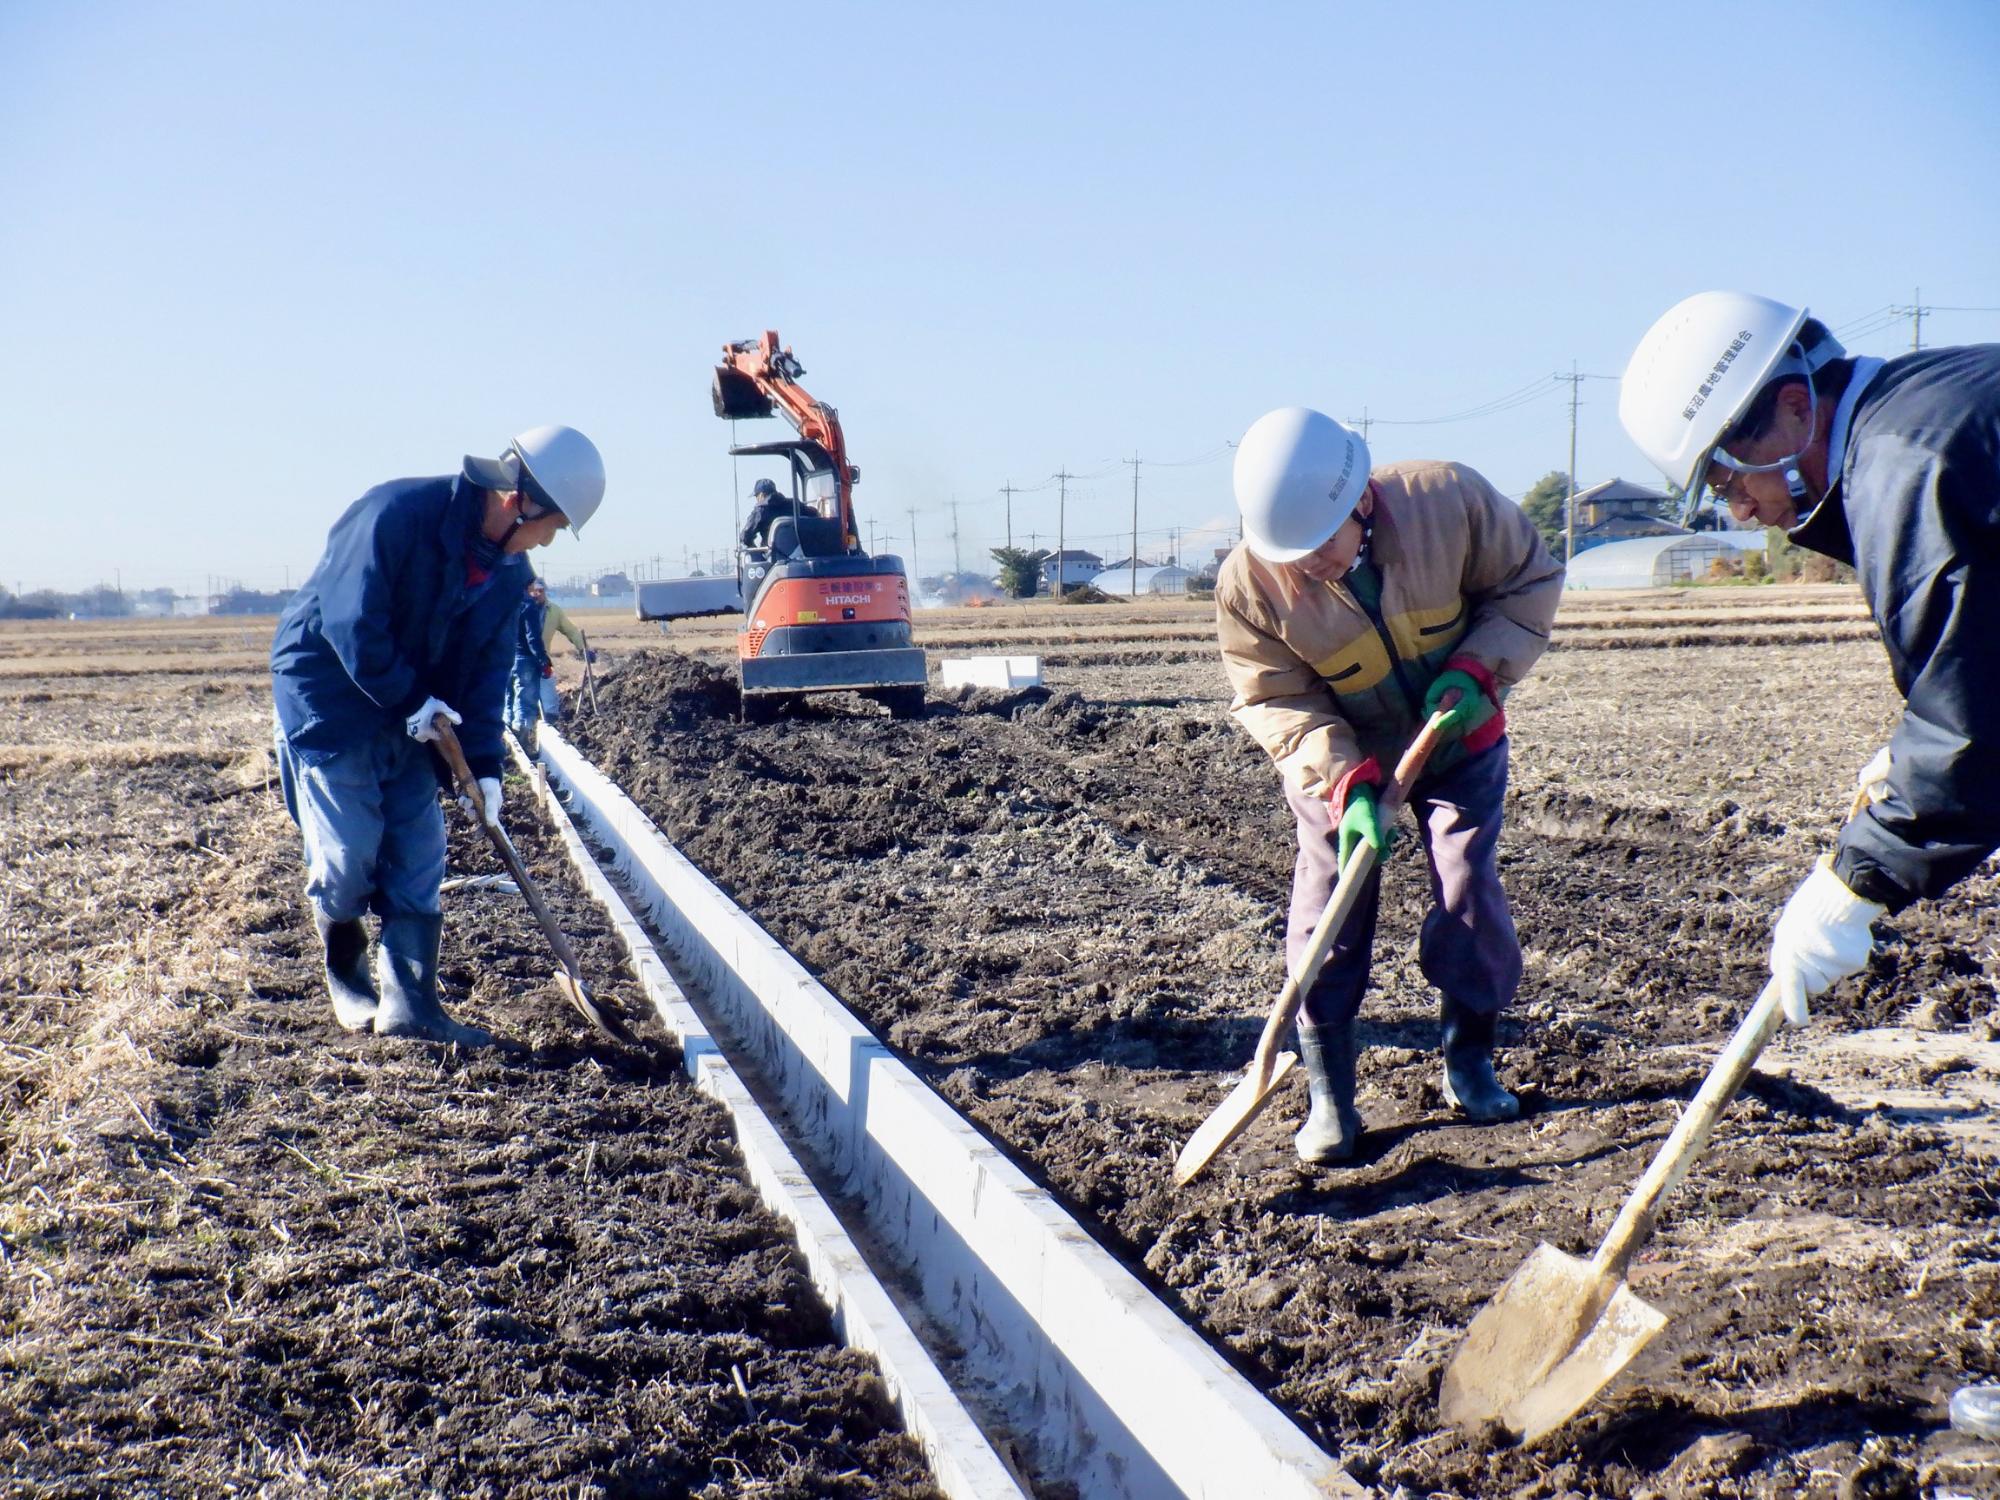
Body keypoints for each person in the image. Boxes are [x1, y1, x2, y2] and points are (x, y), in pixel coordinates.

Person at [1619, 292, 2000, 1435]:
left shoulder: (1908, 466)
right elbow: (1968, 676)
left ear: (1789, 410)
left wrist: (1856, 879)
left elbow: (1970, 740)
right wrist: (1904, 757)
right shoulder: (1922, 413)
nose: (1730, 505)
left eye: (1726, 470)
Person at [1216, 407, 1564, 1164]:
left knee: (1467, 881)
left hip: (1455, 730)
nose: (1305, 565)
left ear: (1361, 503)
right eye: (1290, 553)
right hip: (1341, 761)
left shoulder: (1449, 502)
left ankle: (1469, 1059)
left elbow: (1528, 580)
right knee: (1329, 903)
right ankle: (1330, 1096)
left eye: (1319, 546)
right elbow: (1273, 696)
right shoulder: (1250, 582)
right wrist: (1347, 783)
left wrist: (1479, 672)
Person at [271, 425, 606, 1044]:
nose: (549, 539)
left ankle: (410, 1004)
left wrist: (483, 766)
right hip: (334, 700)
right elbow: (353, 627)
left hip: (419, 711)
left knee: (419, 851)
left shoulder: (507, 575)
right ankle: (346, 965)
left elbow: (484, 674)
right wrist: (412, 701)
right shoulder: (393, 516)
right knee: (348, 859)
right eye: (552, 525)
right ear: (517, 501)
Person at [506, 577, 595, 749]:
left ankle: (549, 731)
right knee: (518, 697)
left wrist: (584, 648)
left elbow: (571, 631)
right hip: (517, 659)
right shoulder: (520, 607)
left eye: (541, 591)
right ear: (529, 590)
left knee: (547, 699)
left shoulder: (553, 611)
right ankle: (516, 737)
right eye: (535, 591)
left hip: (541, 660)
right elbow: (528, 638)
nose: (538, 594)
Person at [740, 477, 802, 548]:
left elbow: (745, 536)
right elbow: (814, 516)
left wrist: (754, 548)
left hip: (774, 555)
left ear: (761, 495)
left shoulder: (760, 510)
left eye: (756, 496)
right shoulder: (796, 504)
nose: (756, 500)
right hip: (799, 552)